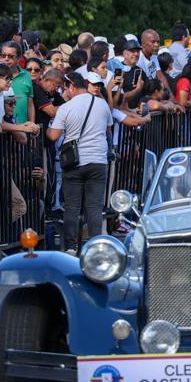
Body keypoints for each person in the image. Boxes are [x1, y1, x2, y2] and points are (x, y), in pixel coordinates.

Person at [47, 72, 113, 254]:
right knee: (94, 206)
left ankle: (70, 247)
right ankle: (95, 247)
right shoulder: (102, 104)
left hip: (74, 162)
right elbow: (108, 129)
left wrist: (45, 129)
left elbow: (53, 135)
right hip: (98, 160)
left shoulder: (66, 108)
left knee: (72, 206)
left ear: (71, 86)